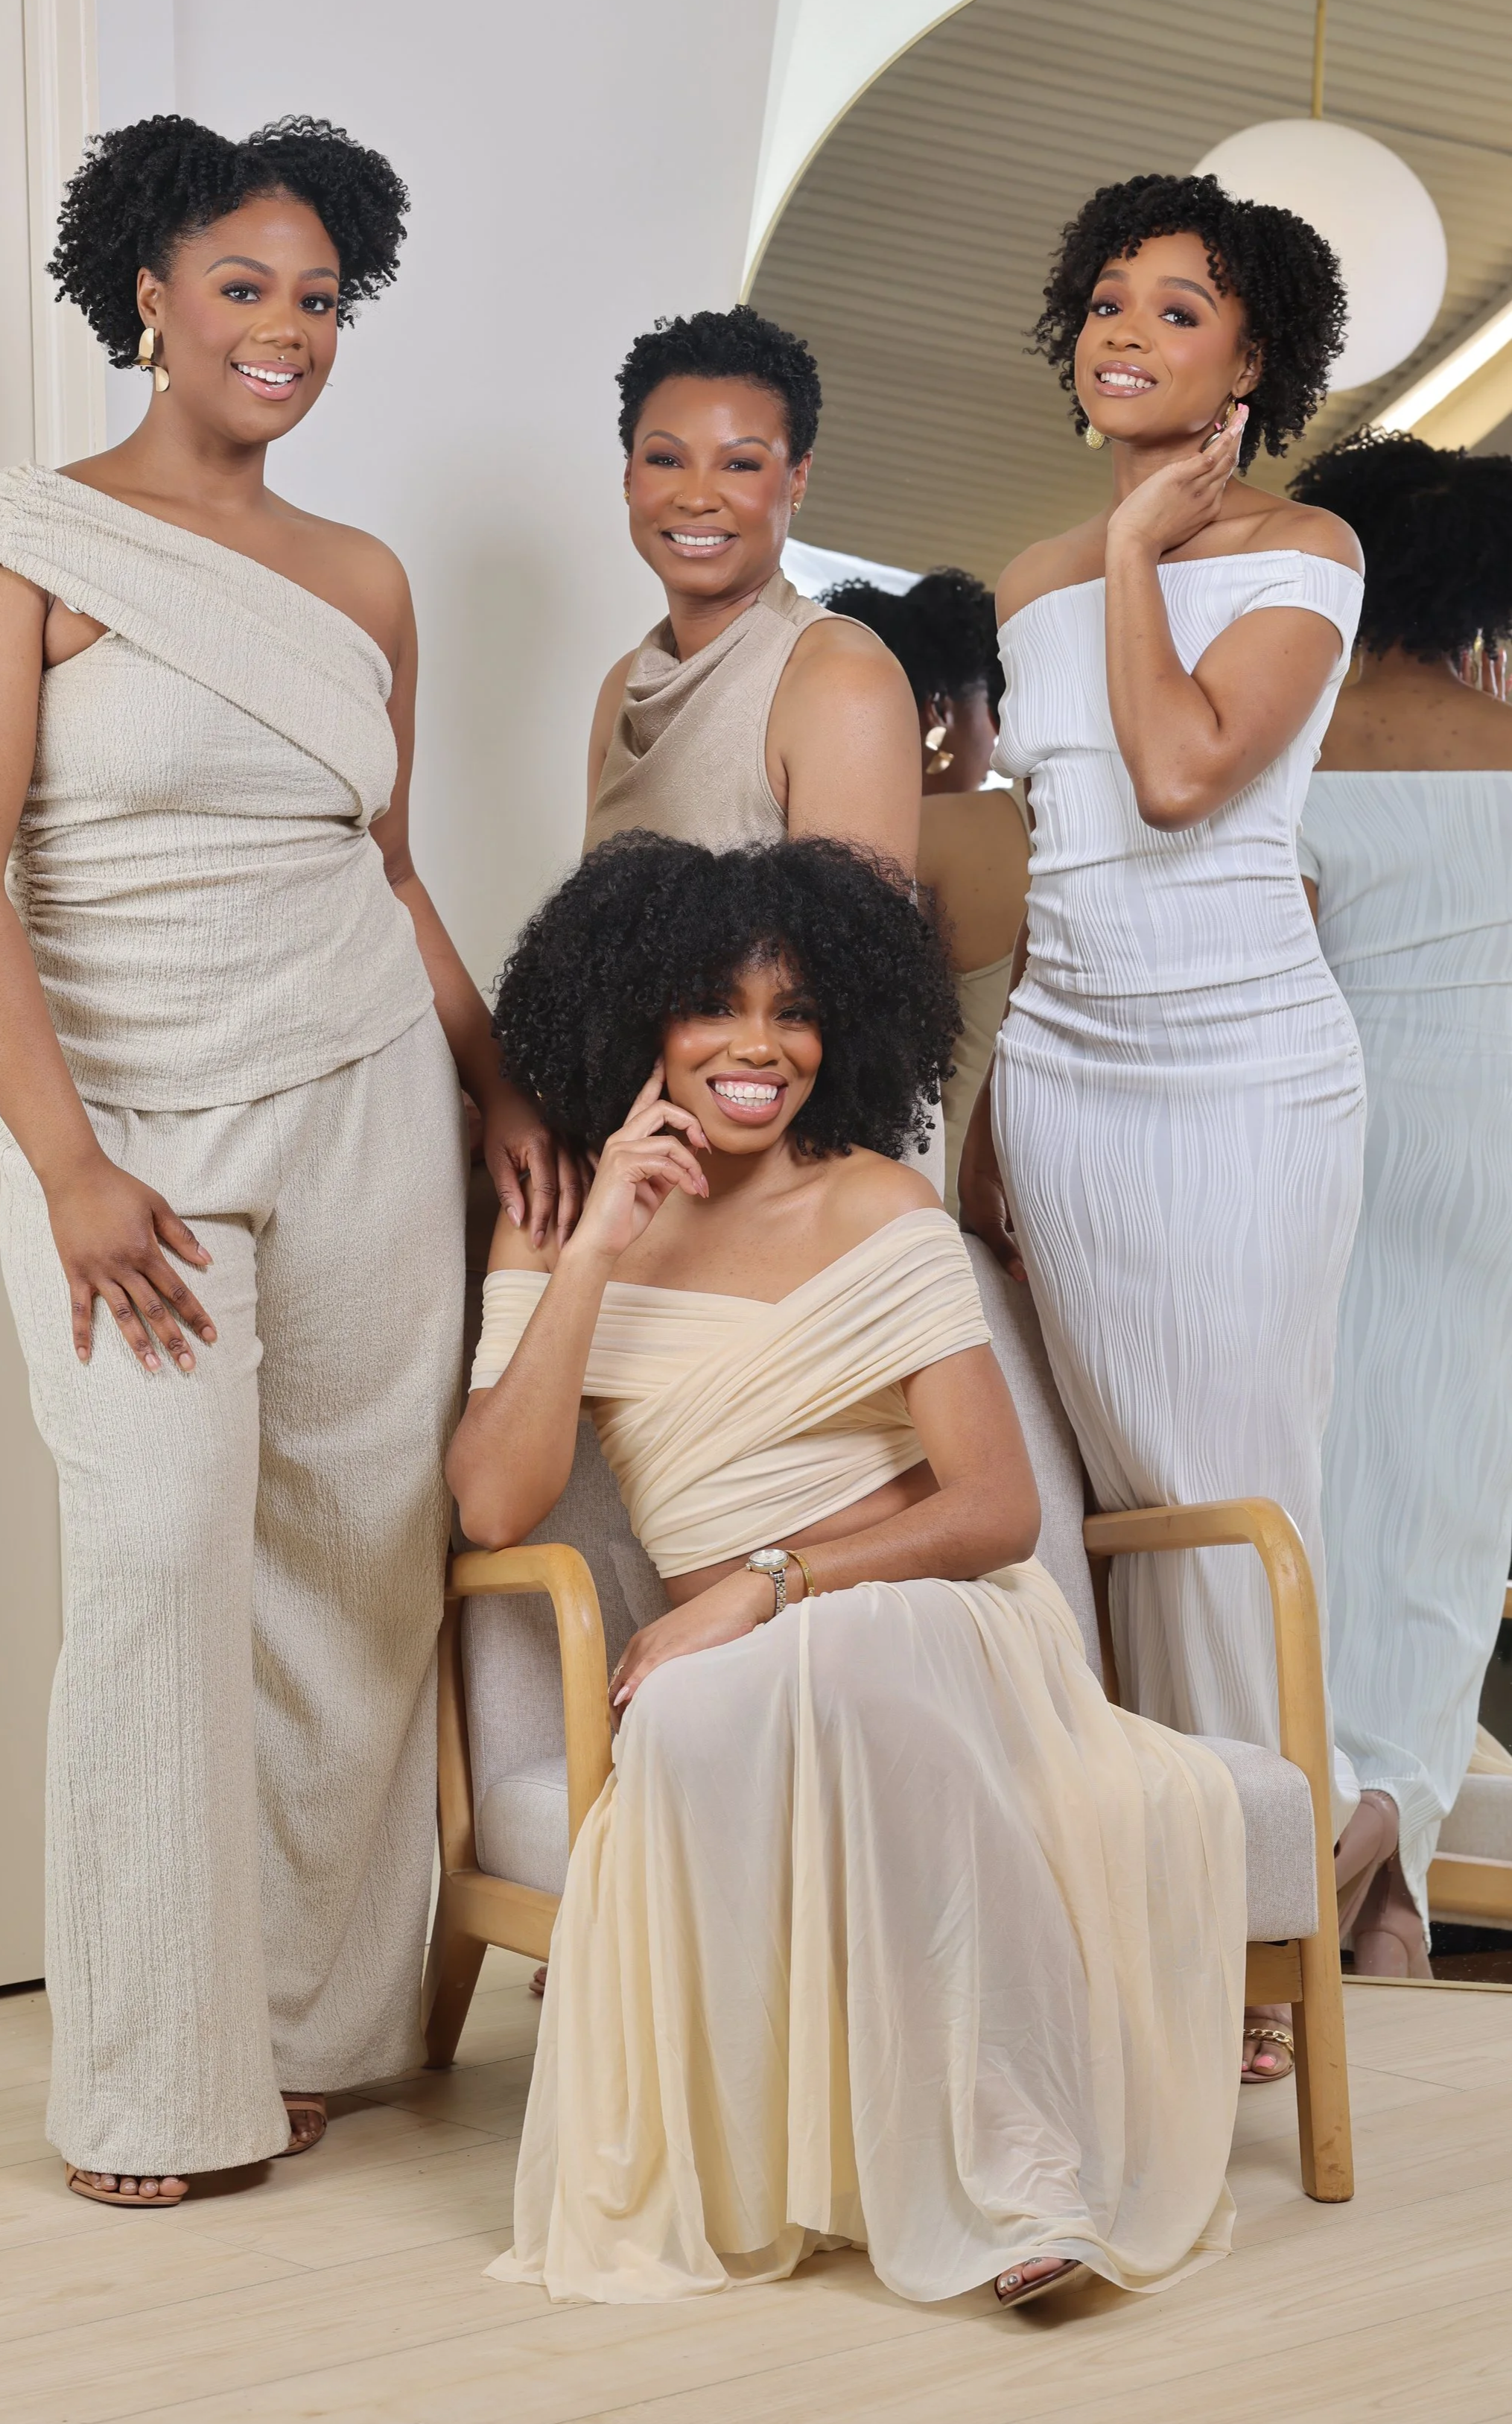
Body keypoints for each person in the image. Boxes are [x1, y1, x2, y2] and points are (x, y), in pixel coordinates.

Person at [0, 115, 568, 2209]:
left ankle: (314, 2026)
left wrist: (492, 1074)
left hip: (364, 1091)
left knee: (356, 1564)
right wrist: (71, 1166)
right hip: (133, 1129)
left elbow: (381, 859)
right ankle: (150, 2086)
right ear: (149, 299)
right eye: (243, 287)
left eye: (320, 296)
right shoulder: (13, 544)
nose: (286, 328)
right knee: (164, 1552)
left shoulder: (360, 579)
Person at [448, 834, 1248, 2312]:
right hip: (755, 1659)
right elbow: (495, 1501)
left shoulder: (877, 1201)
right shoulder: (562, 1215)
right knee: (683, 1723)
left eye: (796, 1008)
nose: (760, 1046)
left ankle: (1023, 2180)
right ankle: (818, 2168)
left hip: (935, 1613)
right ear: (636, 1019)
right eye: (715, 1006)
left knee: (811, 1668)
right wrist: (593, 1254)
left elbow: (996, 1509)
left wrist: (768, 1576)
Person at [957, 173, 1365, 2087]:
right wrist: (981, 1109)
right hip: (1066, 1072)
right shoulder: (1026, 577)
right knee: (1123, 1507)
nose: (1127, 331)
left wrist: (1138, 554)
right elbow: (1053, 859)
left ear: (1253, 356)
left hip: (1242, 1076)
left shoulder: (1305, 549)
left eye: (1178, 308)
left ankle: (1279, 1894)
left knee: (1228, 1490)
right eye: (1104, 299)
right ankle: (1214, 1871)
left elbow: (1186, 769)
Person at [1289, 429, 1512, 1976]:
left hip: (1331, 1143)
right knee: (1438, 1529)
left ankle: (1317, 1848)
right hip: (1490, 1151)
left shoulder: (1293, 744)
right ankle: (1388, 1877)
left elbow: (1269, 982)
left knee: (1310, 1495)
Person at [582, 306, 921, 872]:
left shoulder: (841, 680)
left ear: (798, 479)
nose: (695, 497)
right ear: (628, 476)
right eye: (666, 459)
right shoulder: (626, 684)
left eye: (739, 465)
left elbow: (848, 958)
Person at [822, 568, 1030, 1199]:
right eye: (980, 710)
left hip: (878, 1204)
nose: (990, 736)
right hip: (999, 1203)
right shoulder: (1008, 830)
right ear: (939, 710)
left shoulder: (828, 843)